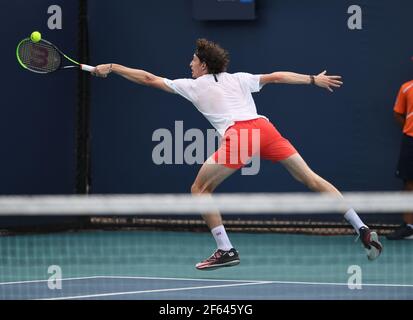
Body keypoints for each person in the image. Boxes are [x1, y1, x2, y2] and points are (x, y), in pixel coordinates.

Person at [93, 38, 383, 269]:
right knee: (310, 178)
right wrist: (311, 79)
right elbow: (277, 76)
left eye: (193, 61)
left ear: (204, 65)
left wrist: (114, 67)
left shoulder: (192, 86)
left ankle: (225, 248)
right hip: (265, 129)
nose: (189, 64)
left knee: (199, 189)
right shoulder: (241, 78)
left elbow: (147, 79)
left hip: (241, 135)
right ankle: (361, 226)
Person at [386, 78, 413, 240]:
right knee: (409, 184)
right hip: (410, 141)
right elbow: (398, 113)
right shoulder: (406, 88)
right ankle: (409, 227)